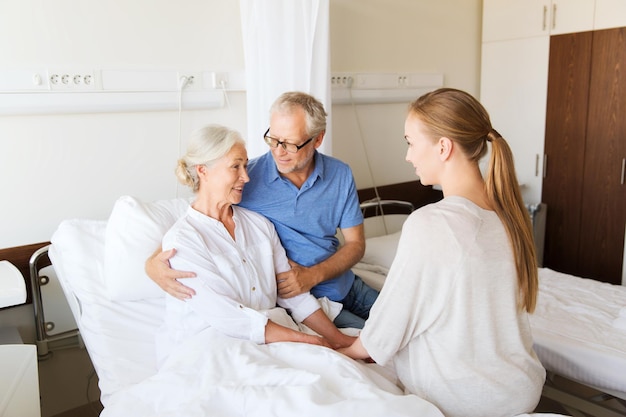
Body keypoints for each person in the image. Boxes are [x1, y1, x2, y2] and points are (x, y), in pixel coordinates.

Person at [338, 88, 546, 417]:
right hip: (519, 388)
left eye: (410, 142)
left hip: (471, 398)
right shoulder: (508, 214)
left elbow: (383, 334)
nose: (408, 156)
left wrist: (346, 350)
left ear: (444, 147)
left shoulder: (432, 224)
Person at [147, 92, 379, 329]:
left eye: (289, 143)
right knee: (381, 341)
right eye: (273, 139)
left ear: (317, 139)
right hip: (309, 302)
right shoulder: (247, 179)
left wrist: (313, 275)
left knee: (411, 321)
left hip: (345, 283)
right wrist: (152, 264)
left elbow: (355, 244)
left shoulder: (339, 174)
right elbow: (198, 221)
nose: (278, 151)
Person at [156, 125, 355, 365]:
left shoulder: (259, 225)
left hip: (277, 336)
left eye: (245, 165)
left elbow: (293, 295)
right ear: (203, 171)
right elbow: (229, 318)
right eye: (235, 166)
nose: (246, 177)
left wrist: (337, 340)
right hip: (218, 349)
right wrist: (309, 342)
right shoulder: (183, 241)